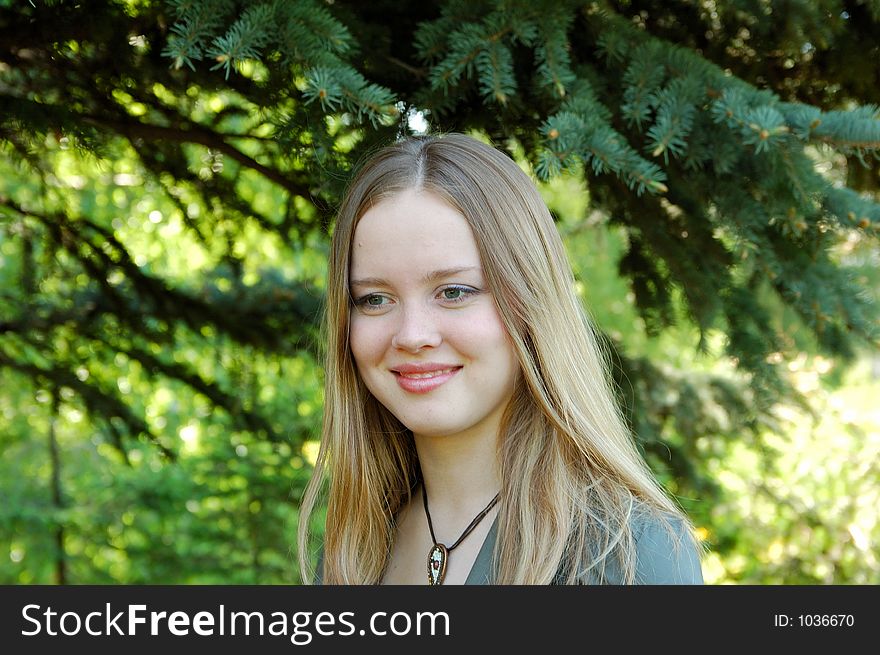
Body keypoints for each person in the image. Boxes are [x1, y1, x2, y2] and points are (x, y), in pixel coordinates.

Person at [297, 132, 704, 585]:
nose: (412, 335)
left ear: (529, 302)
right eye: (373, 299)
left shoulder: (627, 554)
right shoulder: (350, 557)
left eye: (454, 292)